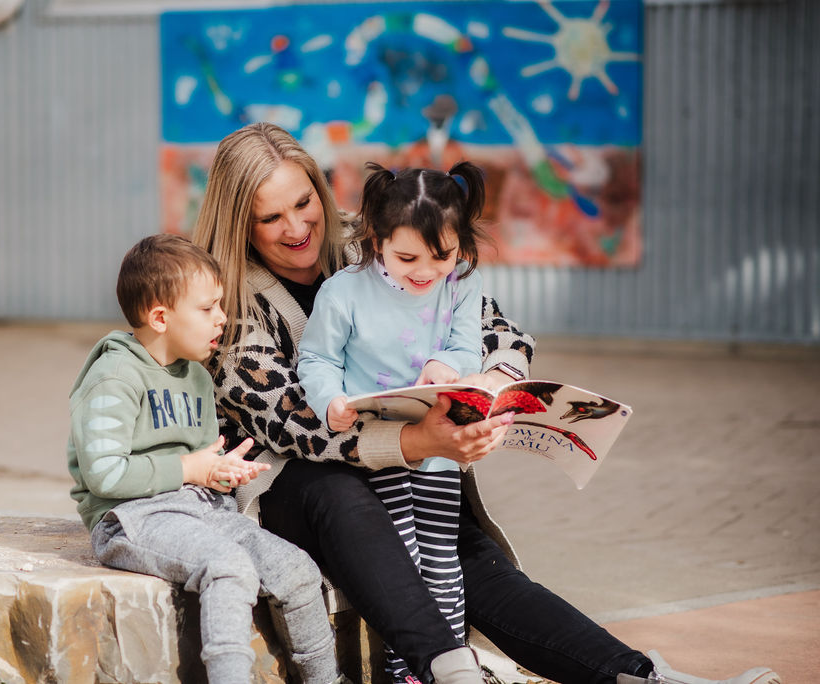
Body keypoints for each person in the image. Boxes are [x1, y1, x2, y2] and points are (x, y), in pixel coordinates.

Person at [192, 122, 781, 684]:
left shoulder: (373, 235)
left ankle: (634, 675)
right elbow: (292, 421)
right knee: (341, 496)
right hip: (295, 484)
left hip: (408, 462)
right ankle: (448, 669)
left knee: (468, 553)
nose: (297, 227)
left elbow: (490, 322)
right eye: (270, 217)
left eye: (304, 202)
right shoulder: (223, 295)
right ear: (239, 223)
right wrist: (417, 441)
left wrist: (495, 383)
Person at [67, 233, 346, 684]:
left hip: (197, 507)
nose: (222, 318)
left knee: (297, 571)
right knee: (228, 567)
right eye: (207, 308)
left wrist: (219, 471)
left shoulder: (196, 375)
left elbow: (199, 462)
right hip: (131, 516)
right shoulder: (114, 375)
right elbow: (104, 473)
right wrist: (187, 469)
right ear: (160, 317)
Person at [297, 160, 497, 682]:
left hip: (437, 454)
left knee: (441, 558)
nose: (426, 271)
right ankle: (405, 668)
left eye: (443, 255)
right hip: (378, 448)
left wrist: (448, 366)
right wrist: (331, 402)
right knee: (400, 561)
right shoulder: (344, 292)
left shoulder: (462, 286)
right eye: (407, 257)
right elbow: (316, 360)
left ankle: (452, 664)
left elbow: (467, 346)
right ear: (376, 238)